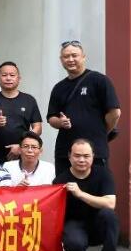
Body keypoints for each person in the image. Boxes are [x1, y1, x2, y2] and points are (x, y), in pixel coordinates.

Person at [47, 41, 121, 175]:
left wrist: (102, 132)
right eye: (66, 56)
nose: (70, 59)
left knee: (96, 186)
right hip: (65, 152)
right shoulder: (59, 88)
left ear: (83, 57)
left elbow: (114, 112)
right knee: (65, 187)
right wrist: (60, 122)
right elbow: (51, 118)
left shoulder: (99, 80)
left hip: (94, 152)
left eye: (74, 55)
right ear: (61, 60)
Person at [54, 139, 120, 251]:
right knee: (74, 242)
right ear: (69, 156)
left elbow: (110, 203)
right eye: (77, 156)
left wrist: (80, 194)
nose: (82, 160)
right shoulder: (60, 180)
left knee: (109, 215)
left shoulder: (103, 173)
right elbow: (55, 213)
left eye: (86, 156)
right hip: (75, 224)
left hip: (98, 224)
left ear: (93, 156)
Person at [0, 61, 43, 164]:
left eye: (12, 75)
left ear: (19, 78)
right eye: (4, 75)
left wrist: (21, 145)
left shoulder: (29, 100)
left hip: (23, 155)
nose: (8, 78)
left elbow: (38, 128)